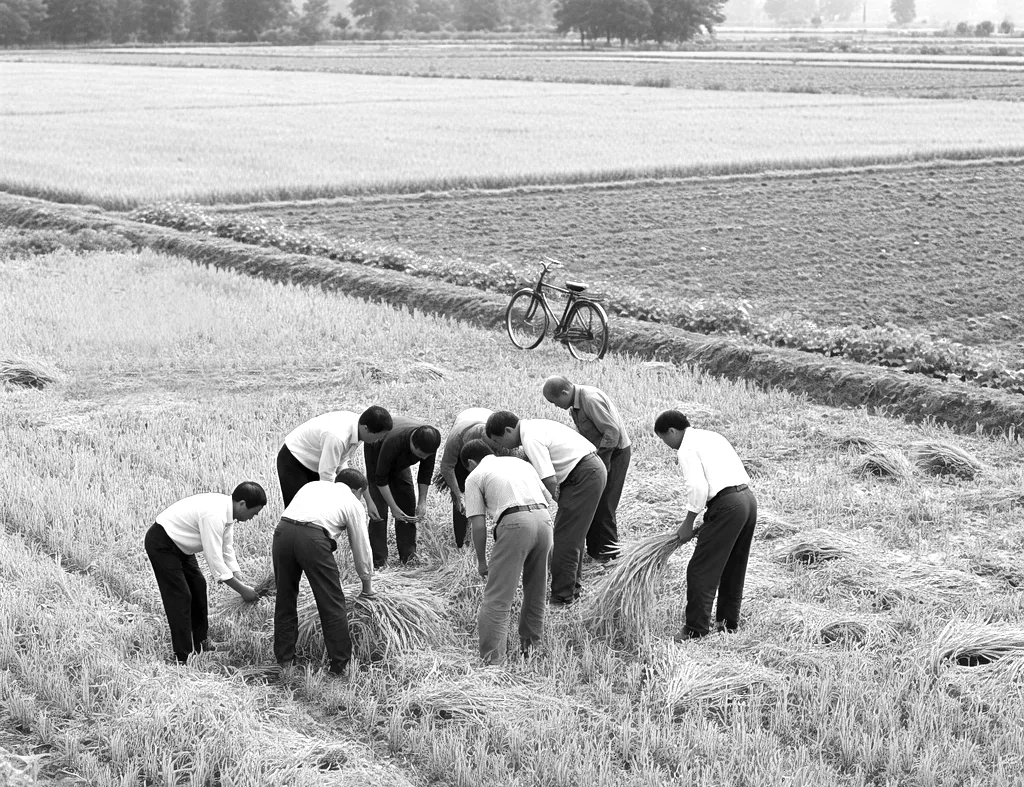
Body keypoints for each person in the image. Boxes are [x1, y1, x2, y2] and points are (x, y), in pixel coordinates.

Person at [654, 410, 757, 640]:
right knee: (734, 565)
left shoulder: (686, 448)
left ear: (672, 431)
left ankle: (695, 630)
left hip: (728, 505)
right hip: (747, 500)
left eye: (664, 439)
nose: (667, 444)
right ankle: (728, 624)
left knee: (700, 569)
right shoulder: (712, 436)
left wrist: (688, 523)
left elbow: (698, 487)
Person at [485, 410, 606, 606]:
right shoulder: (534, 426)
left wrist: (549, 503)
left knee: (564, 538)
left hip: (583, 475)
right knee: (571, 536)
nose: (502, 447)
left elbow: (548, 478)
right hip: (589, 469)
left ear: (508, 430)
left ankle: (562, 597)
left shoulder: (529, 437)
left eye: (499, 441)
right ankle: (572, 590)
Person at [145, 482, 267, 664]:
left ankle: (201, 643)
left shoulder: (228, 512)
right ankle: (183, 656)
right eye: (254, 512)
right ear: (242, 504)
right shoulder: (214, 515)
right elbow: (215, 561)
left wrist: (239, 576)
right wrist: (242, 591)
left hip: (181, 545)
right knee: (180, 596)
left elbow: (226, 548)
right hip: (163, 542)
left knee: (198, 587)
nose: (253, 517)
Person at [273, 468, 375, 677]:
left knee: (285, 597)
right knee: (331, 602)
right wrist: (367, 586)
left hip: (282, 533)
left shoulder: (312, 485)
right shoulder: (352, 502)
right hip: (313, 539)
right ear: (357, 490)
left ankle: (285, 661)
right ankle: (340, 665)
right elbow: (361, 546)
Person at [461, 439, 552, 664]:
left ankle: (493, 662)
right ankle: (532, 649)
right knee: (536, 590)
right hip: (544, 520)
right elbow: (549, 498)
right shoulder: (521, 463)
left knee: (497, 598)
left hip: (515, 524)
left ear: (471, 462)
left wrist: (482, 561)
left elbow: (478, 525)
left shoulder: (475, 476)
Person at [542, 375, 631, 563]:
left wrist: (602, 462)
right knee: (593, 502)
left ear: (565, 392)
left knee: (604, 506)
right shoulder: (576, 401)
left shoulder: (589, 399)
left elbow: (611, 433)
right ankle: (595, 552)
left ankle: (609, 557)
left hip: (614, 453)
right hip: (599, 453)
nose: (555, 405)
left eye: (555, 401)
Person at [363, 416, 442, 567]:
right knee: (379, 510)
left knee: (407, 504)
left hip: (400, 462)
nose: (424, 458)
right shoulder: (394, 441)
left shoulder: (429, 445)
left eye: (427, 456)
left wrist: (422, 502)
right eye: (420, 455)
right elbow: (381, 479)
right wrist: (393, 507)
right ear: (412, 443)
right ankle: (379, 560)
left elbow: (425, 474)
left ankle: (408, 557)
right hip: (377, 455)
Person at [277, 407, 393, 507]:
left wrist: (362, 496)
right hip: (294, 459)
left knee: (317, 509)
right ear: (366, 428)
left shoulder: (359, 426)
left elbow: (340, 463)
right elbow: (327, 476)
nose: (377, 441)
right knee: (300, 511)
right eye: (378, 437)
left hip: (318, 461)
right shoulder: (338, 437)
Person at [438, 407, 493, 549]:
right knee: (460, 500)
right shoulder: (456, 438)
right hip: (462, 446)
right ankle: (461, 543)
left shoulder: (496, 438)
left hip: (490, 448)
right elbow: (447, 467)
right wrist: (459, 495)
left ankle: (481, 539)